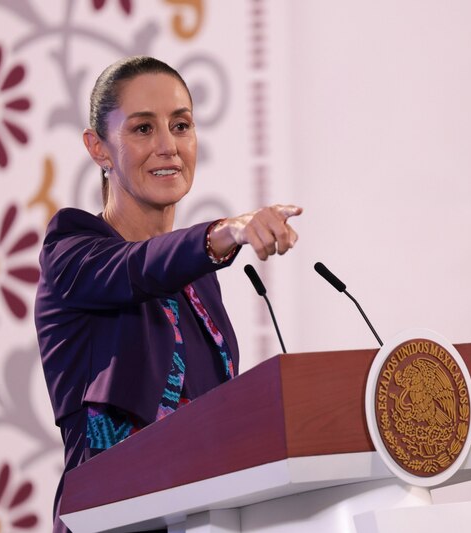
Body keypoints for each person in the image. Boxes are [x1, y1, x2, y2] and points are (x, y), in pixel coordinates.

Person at [34, 56, 301, 533]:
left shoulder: (199, 280)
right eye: (142, 129)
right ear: (98, 148)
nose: (167, 146)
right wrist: (223, 233)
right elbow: (137, 268)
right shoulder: (71, 253)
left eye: (181, 125)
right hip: (112, 521)